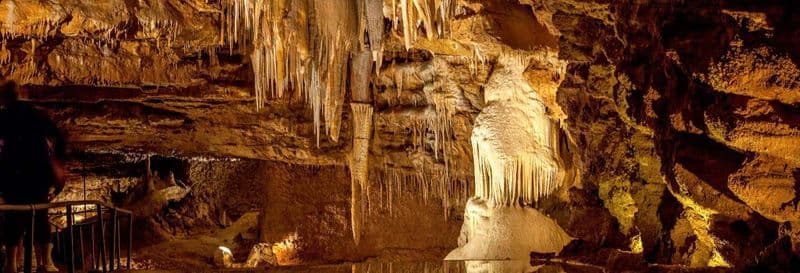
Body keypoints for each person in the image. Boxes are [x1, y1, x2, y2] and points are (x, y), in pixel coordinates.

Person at [0, 80, 65, 273]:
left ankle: (12, 264)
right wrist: (58, 162)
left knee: (13, 219)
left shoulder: (3, 117)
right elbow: (58, 137)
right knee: (40, 218)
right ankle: (46, 263)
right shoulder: (36, 114)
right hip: (37, 174)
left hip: (14, 176)